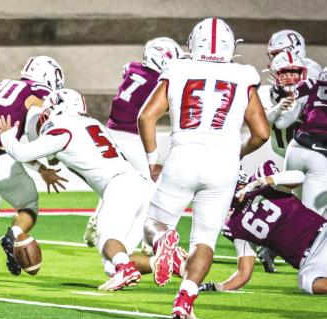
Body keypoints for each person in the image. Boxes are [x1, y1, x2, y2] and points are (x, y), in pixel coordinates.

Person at [137, 17, 270, 319]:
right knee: (204, 240)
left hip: (184, 156)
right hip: (222, 165)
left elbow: (146, 117)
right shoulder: (243, 74)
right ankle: (185, 299)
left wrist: (152, 160)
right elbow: (261, 132)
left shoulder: (178, 68)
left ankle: (163, 240)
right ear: (230, 46)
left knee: (153, 226)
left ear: (192, 43)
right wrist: (236, 153)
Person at [0, 88, 155, 291]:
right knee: (111, 264)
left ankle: (126, 269)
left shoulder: (61, 126)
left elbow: (21, 153)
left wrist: (7, 137)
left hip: (118, 187)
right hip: (140, 187)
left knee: (107, 239)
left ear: (58, 107)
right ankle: (176, 265)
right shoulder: (91, 123)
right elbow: (58, 155)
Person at [0, 56, 67, 280]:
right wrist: (49, 160)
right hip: (2, 161)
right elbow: (34, 131)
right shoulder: (40, 92)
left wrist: (40, 169)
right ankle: (14, 234)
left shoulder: (3, 84)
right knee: (29, 206)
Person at [83, 37, 183, 249]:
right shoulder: (158, 80)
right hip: (132, 137)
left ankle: (98, 217)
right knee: (152, 188)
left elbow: (127, 70)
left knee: (116, 181)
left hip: (110, 133)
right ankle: (148, 239)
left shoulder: (134, 69)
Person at [200, 160, 327, 295]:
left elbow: (299, 176)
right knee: (307, 282)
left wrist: (267, 180)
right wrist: (218, 286)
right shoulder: (234, 224)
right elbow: (243, 273)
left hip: (323, 234)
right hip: (309, 261)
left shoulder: (262, 176)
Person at [255, 51, 309, 273]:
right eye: (285, 73)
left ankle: (272, 248)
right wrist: (278, 109)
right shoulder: (265, 93)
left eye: (294, 72)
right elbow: (260, 123)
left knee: (302, 208)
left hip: (306, 154)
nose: (290, 78)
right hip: (286, 153)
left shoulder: (309, 92)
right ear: (275, 73)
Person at [282, 72, 327, 217]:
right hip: (320, 155)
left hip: (295, 147)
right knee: (312, 217)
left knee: (292, 203)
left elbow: (284, 121)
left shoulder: (309, 85)